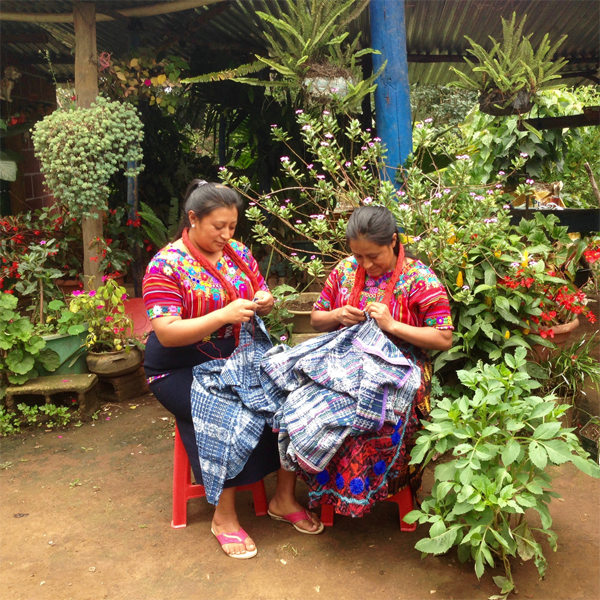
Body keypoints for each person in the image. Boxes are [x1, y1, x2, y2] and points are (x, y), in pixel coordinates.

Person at [142, 180, 323, 560]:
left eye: (232, 227)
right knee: (225, 410)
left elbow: (261, 297)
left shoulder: (237, 253)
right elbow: (167, 333)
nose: (226, 235)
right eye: (217, 227)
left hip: (237, 356)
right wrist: (222, 314)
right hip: (179, 368)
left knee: (295, 396)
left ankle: (283, 500)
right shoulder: (166, 265)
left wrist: (266, 301)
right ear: (192, 219)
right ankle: (223, 518)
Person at [307, 205, 453, 517]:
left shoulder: (419, 278)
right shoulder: (345, 271)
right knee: (313, 404)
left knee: (372, 412)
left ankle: (374, 489)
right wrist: (336, 315)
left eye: (374, 256)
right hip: (347, 362)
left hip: (403, 366)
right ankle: (326, 490)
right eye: (359, 256)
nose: (366, 264)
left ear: (394, 241)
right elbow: (316, 319)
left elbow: (443, 338)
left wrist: (392, 325)